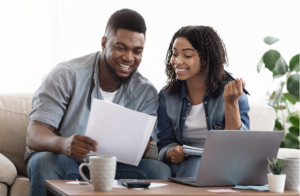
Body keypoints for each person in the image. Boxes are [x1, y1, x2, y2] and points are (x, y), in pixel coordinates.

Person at [26, 9, 171, 196]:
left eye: (137, 51)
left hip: (114, 168)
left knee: (160, 171)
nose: (128, 57)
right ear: (104, 43)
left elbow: (141, 149)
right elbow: (34, 133)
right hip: (65, 162)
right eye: (121, 47)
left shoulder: (146, 92)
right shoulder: (66, 75)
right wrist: (64, 144)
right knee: (43, 162)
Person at [156, 26, 250, 178]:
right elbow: (165, 142)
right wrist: (171, 153)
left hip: (223, 164)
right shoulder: (167, 95)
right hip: (185, 165)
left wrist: (231, 103)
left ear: (206, 58)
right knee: (190, 165)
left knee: (198, 165)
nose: (177, 61)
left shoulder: (232, 92)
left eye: (187, 55)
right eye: (174, 54)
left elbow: (238, 148)